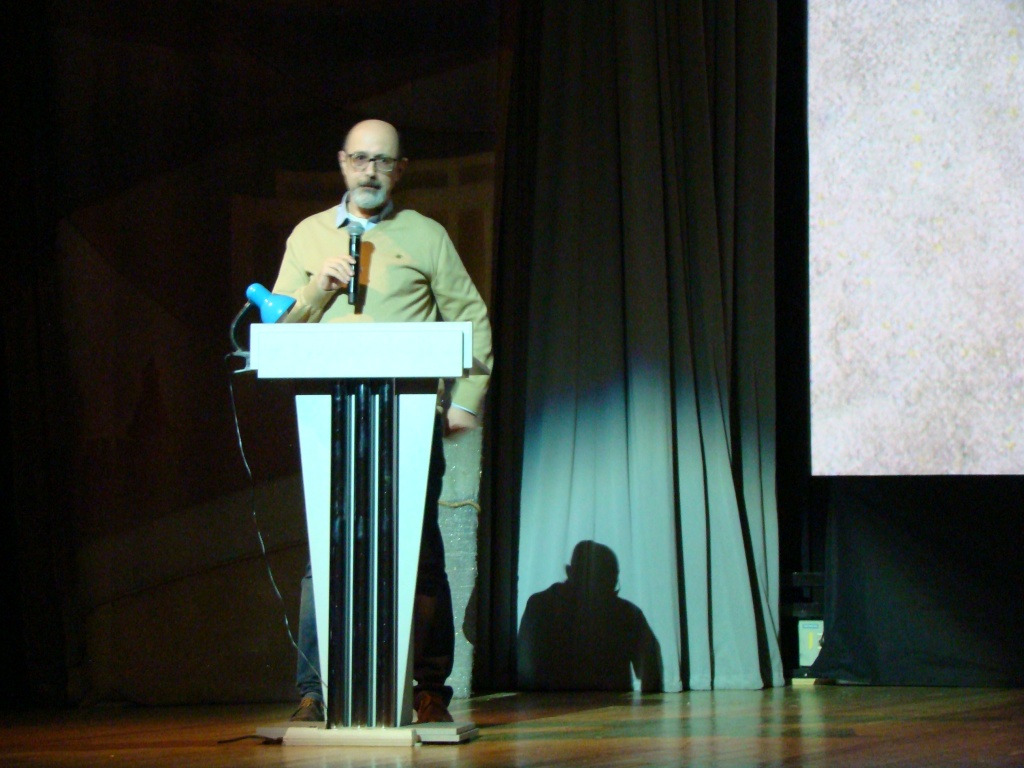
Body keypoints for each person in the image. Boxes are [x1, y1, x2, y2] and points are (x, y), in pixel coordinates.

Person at [270, 119, 493, 724]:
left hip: (409, 416)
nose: (370, 171)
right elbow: (279, 330)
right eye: (360, 159)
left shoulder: (426, 235)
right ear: (343, 162)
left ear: (399, 170)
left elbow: (471, 318)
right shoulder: (309, 235)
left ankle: (428, 688)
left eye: (383, 161)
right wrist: (316, 290)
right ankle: (316, 691)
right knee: (327, 553)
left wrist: (465, 401)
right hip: (334, 419)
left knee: (419, 552)